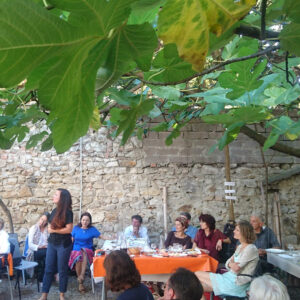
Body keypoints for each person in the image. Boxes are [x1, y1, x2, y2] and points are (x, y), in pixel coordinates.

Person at [196, 220, 259, 298]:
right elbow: (227, 263)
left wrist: (231, 264)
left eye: (237, 230)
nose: (234, 231)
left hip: (236, 284)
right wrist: (231, 264)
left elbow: (237, 268)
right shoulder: (240, 247)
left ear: (244, 233)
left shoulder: (251, 249)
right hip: (229, 277)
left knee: (196, 278)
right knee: (197, 283)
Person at [39, 188, 73, 300]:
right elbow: (49, 225)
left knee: (62, 270)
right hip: (52, 243)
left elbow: (69, 230)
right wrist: (48, 225)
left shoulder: (68, 212)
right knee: (48, 269)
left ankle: (62, 295)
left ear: (62, 198)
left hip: (63, 244)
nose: (53, 196)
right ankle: (44, 295)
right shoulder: (54, 211)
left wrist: (54, 230)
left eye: (56, 195)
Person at [68, 212, 101, 293]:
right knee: (79, 255)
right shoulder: (76, 228)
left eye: (87, 220)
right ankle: (81, 281)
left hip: (88, 250)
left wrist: (112, 238)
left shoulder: (92, 229)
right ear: (80, 220)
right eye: (83, 220)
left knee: (83, 251)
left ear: (89, 221)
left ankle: (81, 277)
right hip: (76, 250)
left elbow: (101, 236)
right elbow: (71, 240)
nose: (85, 222)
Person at [26, 212, 50, 285]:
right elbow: (30, 244)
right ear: (40, 218)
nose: (42, 222)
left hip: (45, 250)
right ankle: (46, 278)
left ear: (47, 222)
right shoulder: (33, 228)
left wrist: (46, 246)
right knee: (48, 254)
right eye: (42, 219)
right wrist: (39, 247)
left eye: (45, 221)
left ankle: (42, 279)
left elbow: (49, 242)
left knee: (47, 257)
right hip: (34, 250)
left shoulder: (47, 230)